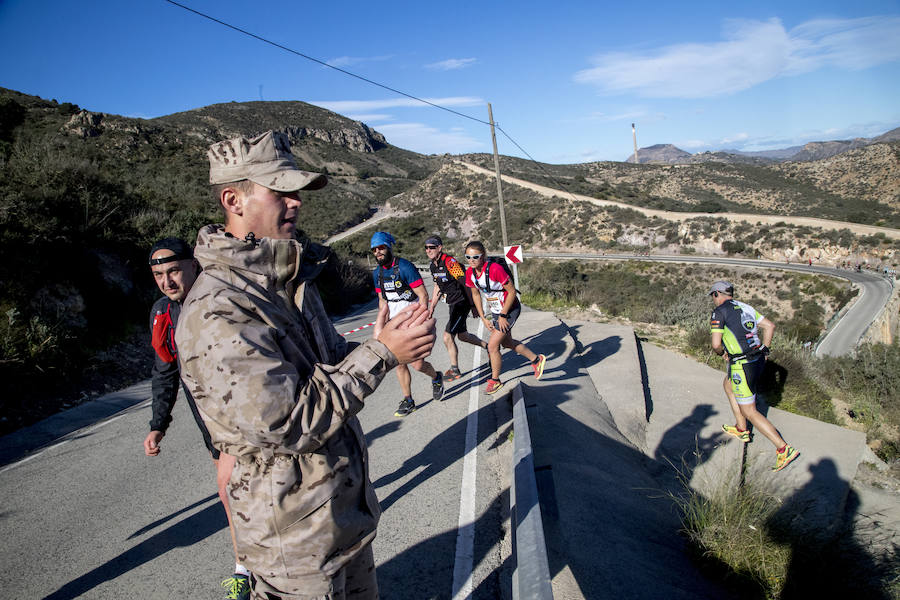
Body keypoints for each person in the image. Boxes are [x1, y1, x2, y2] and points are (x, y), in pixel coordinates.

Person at [175, 130, 436, 599]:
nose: (296, 203)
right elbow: (287, 421)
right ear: (234, 199)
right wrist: (381, 355)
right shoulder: (219, 307)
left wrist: (393, 341)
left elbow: (331, 359)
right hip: (293, 545)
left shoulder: (292, 279)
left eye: (297, 193)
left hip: (342, 521)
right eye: (281, 191)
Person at [144, 237, 250, 600]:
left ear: (194, 265)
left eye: (173, 271)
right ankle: (245, 567)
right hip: (211, 425)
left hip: (250, 415)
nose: (167, 281)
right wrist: (159, 424)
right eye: (159, 274)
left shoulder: (221, 297)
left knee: (238, 490)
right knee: (231, 494)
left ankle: (255, 564)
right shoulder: (163, 313)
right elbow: (164, 372)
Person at [709, 280, 800, 472]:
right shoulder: (745, 307)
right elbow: (770, 326)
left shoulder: (719, 312)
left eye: (713, 296)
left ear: (717, 294)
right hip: (757, 359)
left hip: (742, 364)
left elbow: (716, 345)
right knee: (728, 385)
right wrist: (765, 349)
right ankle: (742, 428)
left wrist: (722, 352)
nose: (713, 300)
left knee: (750, 410)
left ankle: (783, 448)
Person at [371, 231, 444, 416]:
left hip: (413, 320)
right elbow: (382, 302)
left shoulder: (405, 267)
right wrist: (383, 324)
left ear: (389, 247)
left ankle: (436, 377)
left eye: (381, 248)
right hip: (394, 324)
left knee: (418, 365)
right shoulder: (376, 274)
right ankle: (408, 400)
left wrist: (422, 320)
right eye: (374, 249)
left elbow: (422, 296)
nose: (378, 252)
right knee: (399, 363)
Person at [463, 241, 546, 394]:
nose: (471, 260)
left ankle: (495, 380)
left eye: (475, 257)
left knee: (492, 345)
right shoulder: (470, 273)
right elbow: (475, 295)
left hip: (510, 308)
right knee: (507, 343)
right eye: (468, 257)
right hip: (496, 311)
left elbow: (512, 291)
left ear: (483, 256)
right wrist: (483, 317)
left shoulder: (495, 269)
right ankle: (536, 360)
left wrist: (503, 315)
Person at [424, 235, 488, 380]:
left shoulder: (450, 262)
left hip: (461, 303)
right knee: (463, 336)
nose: (428, 250)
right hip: (452, 304)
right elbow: (437, 286)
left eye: (432, 247)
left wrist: (473, 306)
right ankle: (489, 347)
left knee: (447, 337)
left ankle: (455, 369)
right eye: (426, 248)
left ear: (439, 248)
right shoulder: (433, 265)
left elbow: (466, 284)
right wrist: (432, 306)